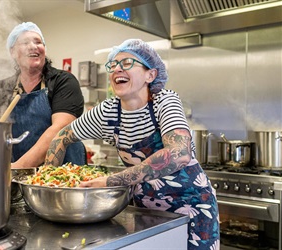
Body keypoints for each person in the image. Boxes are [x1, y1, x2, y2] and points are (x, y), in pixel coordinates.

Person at [44, 39, 220, 250]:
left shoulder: (164, 101)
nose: (117, 68)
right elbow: (62, 137)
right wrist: (48, 182)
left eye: (127, 63)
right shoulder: (108, 111)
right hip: (147, 214)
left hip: (191, 210)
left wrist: (111, 181)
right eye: (113, 65)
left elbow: (179, 153)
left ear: (150, 75)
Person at [0, 22, 86, 169]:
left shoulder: (63, 81)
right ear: (13, 52)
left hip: (62, 174)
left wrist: (17, 168)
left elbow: (60, 129)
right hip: (16, 174)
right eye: (25, 42)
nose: (33, 46)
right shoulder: (1, 88)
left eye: (38, 42)